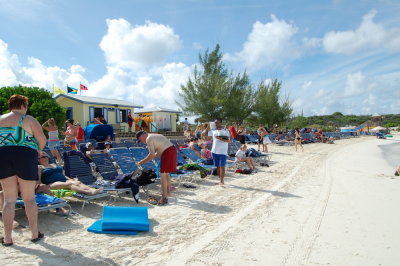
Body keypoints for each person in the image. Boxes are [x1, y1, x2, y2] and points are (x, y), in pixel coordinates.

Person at [0, 94, 47, 245]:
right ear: (23, 105)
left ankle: (7, 238)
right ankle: (34, 234)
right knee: (29, 198)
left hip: (3, 157)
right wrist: (38, 150)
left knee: (8, 200)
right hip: (25, 156)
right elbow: (42, 140)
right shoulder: (29, 119)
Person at [136, 130, 177, 205]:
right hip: (172, 150)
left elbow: (151, 154)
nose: (141, 142)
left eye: (140, 140)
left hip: (167, 152)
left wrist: (141, 162)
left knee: (162, 174)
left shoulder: (148, 138)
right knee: (166, 173)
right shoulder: (154, 136)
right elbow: (157, 154)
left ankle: (164, 196)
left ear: (142, 135)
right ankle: (168, 193)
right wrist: (146, 160)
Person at [38, 152, 103, 195]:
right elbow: (39, 180)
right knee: (69, 184)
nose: (45, 158)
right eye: (43, 157)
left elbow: (63, 175)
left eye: (46, 156)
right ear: (38, 159)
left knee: (77, 182)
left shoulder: (53, 164)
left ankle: (92, 190)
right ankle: (88, 192)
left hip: (63, 180)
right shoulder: (39, 167)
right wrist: (43, 188)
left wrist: (72, 180)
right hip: (51, 183)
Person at [202, 119, 231, 185]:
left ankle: (222, 181)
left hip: (223, 152)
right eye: (215, 123)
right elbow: (205, 136)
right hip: (214, 151)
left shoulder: (226, 131)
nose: (215, 124)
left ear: (220, 123)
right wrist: (208, 126)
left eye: (217, 123)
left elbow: (229, 141)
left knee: (222, 166)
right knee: (217, 166)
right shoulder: (213, 131)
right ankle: (220, 180)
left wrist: (221, 138)